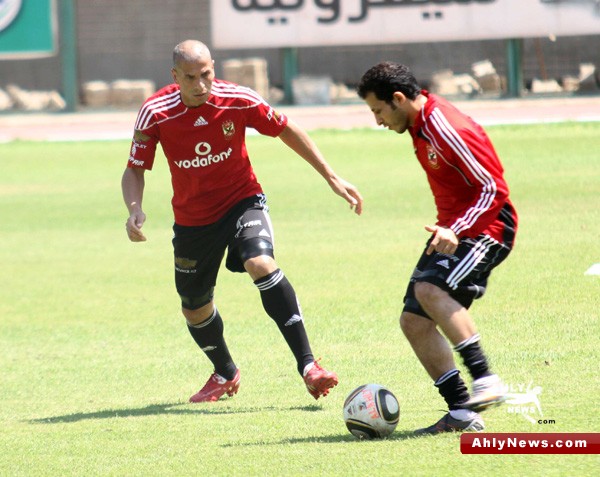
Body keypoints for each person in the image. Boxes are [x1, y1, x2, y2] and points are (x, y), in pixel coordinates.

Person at [122, 40, 363, 403]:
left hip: (242, 202)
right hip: (193, 220)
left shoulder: (238, 98)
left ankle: (309, 366)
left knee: (260, 262)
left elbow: (286, 128)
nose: (201, 84)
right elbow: (134, 169)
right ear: (175, 76)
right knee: (194, 306)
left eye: (206, 74)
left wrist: (331, 176)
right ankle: (225, 372)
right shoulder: (156, 111)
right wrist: (134, 208)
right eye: (190, 78)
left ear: (213, 68)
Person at [357, 62, 517, 434]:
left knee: (430, 290)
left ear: (398, 99)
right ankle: (461, 413)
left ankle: (485, 380)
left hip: (487, 229)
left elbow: (494, 189)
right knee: (413, 321)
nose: (377, 121)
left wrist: (456, 229)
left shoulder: (445, 125)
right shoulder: (419, 123)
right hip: (456, 229)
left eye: (378, 110)